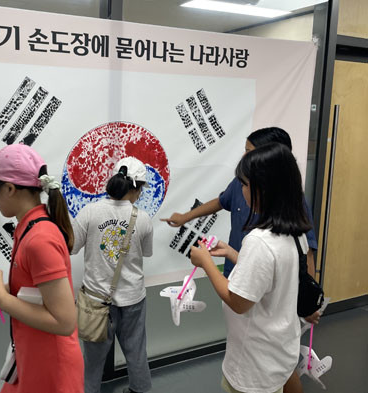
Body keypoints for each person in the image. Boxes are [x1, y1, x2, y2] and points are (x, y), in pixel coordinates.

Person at [162, 127, 319, 393]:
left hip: (254, 362)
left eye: (245, 184)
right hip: (277, 346)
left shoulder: (260, 241)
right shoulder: (293, 231)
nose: (241, 188)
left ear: (263, 186)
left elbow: (238, 302)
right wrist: (232, 254)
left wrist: (206, 262)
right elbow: (272, 272)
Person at [0, 144, 84, 393]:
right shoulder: (28, 228)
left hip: (52, 367)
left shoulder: (40, 239)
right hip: (31, 354)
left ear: (9, 189)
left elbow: (64, 322)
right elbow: (30, 288)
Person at [71, 157, 153, 393]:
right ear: (137, 188)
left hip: (96, 301)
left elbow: (72, 247)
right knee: (136, 352)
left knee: (92, 361)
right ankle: (140, 390)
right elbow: (146, 253)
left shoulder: (89, 212)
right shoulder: (143, 218)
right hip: (133, 298)